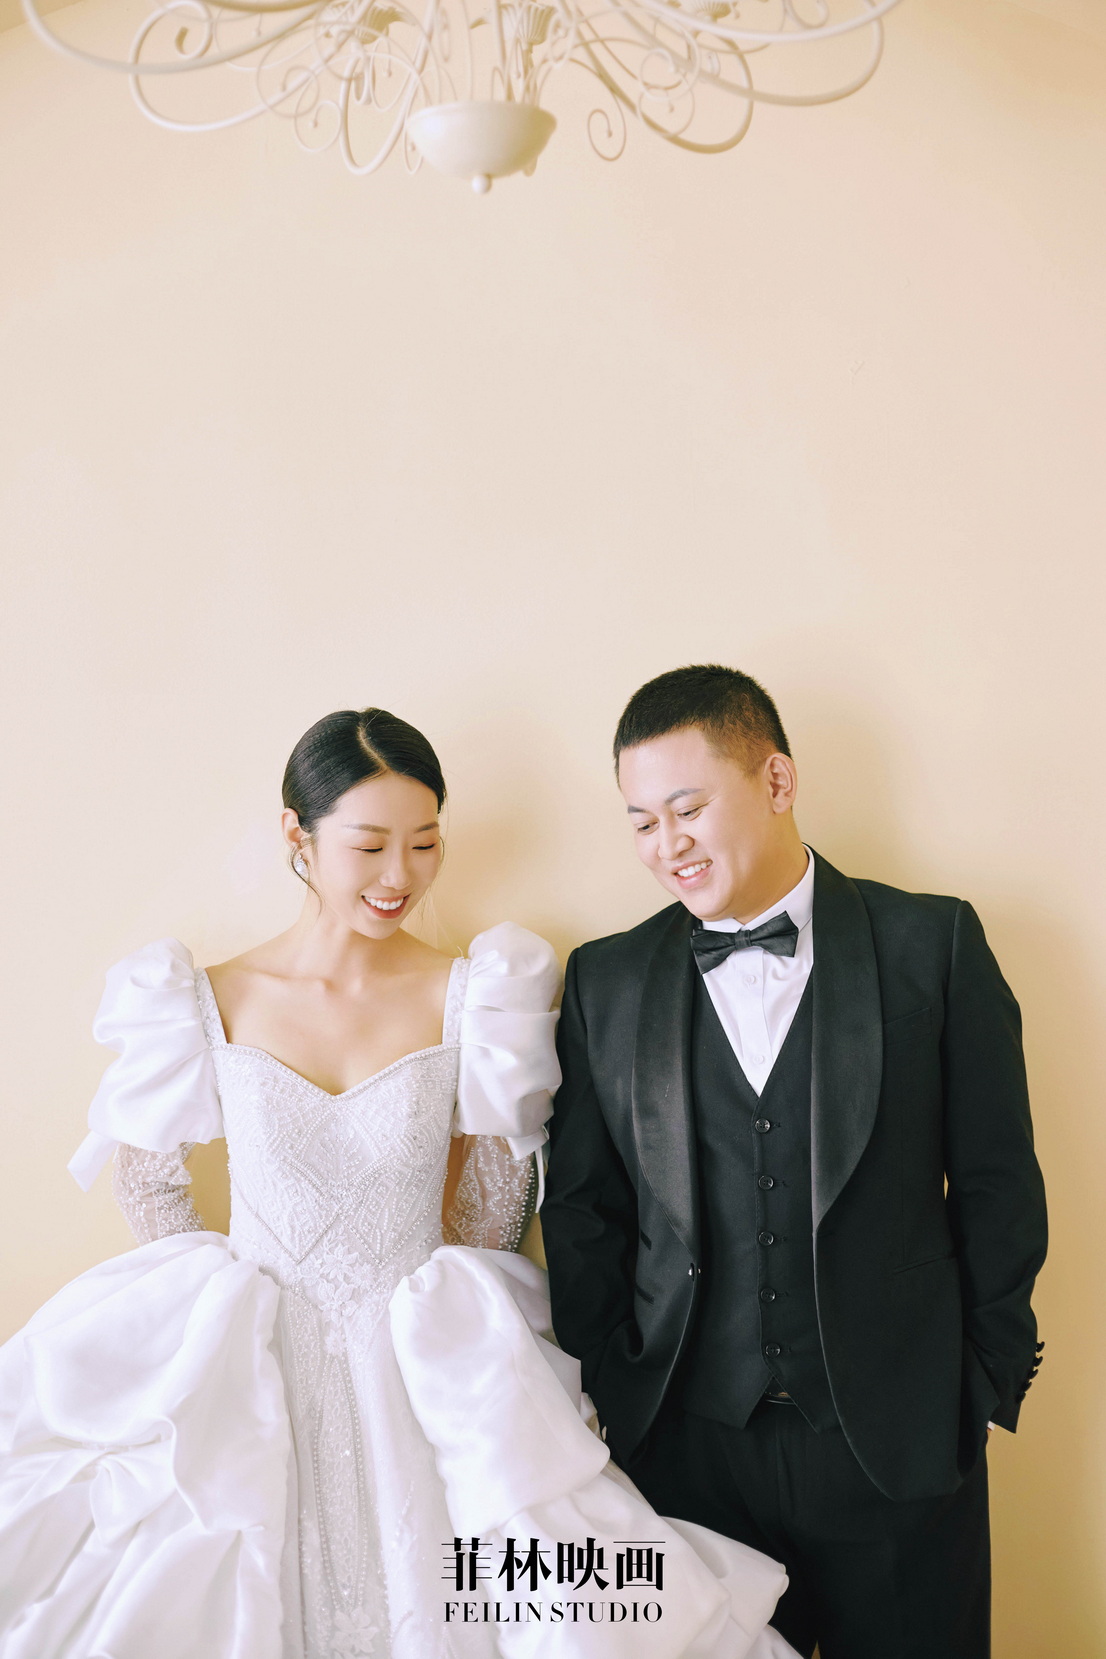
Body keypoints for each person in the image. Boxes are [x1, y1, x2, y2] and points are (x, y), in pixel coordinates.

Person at [0, 705, 800, 1659]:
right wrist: (225, 1308)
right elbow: (149, 1183)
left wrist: (423, 1302)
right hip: (252, 1357)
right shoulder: (202, 996)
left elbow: (496, 1201)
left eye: (424, 843)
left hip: (426, 1356)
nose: (400, 876)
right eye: (370, 845)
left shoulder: (478, 993)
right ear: (298, 834)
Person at [541, 664, 1048, 1659]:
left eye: (688, 808)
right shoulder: (606, 978)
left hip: (897, 1445)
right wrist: (614, 1395)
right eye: (641, 821)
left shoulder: (931, 943)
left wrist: (983, 1388)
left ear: (775, 781)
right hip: (686, 1456)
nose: (667, 844)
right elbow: (585, 1209)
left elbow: (997, 1182)